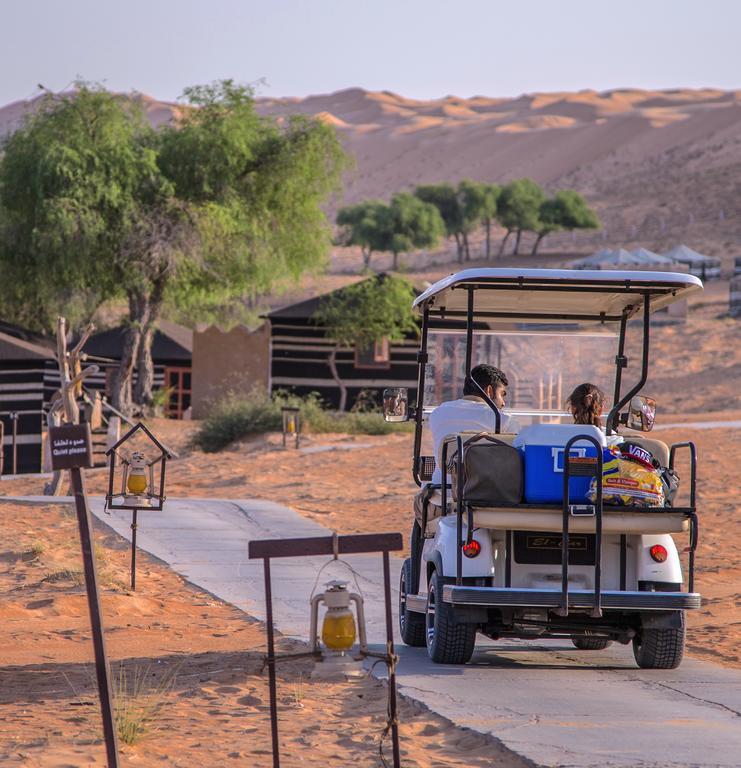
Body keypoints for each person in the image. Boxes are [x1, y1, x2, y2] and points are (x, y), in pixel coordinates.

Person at [428, 364, 519, 484]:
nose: (503, 403)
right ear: (489, 391)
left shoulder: (438, 413)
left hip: (440, 494)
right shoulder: (504, 420)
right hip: (484, 496)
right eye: (502, 394)